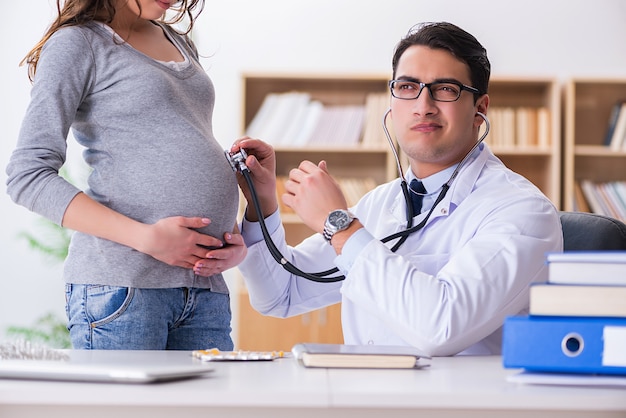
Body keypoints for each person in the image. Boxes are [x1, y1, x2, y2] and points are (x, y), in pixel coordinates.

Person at [206, 21, 563, 356]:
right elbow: (279, 295)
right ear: (391, 103)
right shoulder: (381, 204)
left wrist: (341, 226)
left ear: (479, 109)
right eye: (407, 87)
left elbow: (440, 326)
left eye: (445, 89)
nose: (423, 107)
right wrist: (262, 202)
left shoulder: (522, 211)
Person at [6, 0, 247, 350]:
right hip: (123, 290)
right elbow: (27, 175)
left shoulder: (178, 41)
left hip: (203, 290)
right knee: (125, 408)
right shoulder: (78, 43)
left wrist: (229, 241)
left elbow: (170, 145)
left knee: (204, 407)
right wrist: (146, 238)